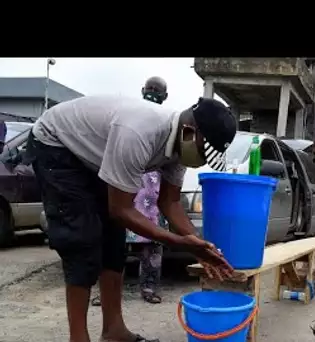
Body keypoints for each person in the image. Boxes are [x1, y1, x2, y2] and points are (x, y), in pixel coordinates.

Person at [27, 94, 236, 342]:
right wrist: (179, 242)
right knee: (82, 241)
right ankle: (78, 338)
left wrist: (200, 244)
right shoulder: (138, 133)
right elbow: (121, 209)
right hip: (57, 145)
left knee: (114, 242)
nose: (201, 161)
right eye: (204, 151)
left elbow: (169, 202)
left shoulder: (180, 147)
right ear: (190, 131)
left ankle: (114, 331)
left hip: (95, 155)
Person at [91, 77, 170, 307]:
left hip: (152, 196)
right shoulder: (131, 118)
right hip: (125, 187)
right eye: (151, 89)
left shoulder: (165, 124)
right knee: (114, 246)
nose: (153, 93)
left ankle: (149, 288)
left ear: (165, 97)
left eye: (158, 91)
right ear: (142, 91)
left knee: (152, 247)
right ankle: (106, 293)